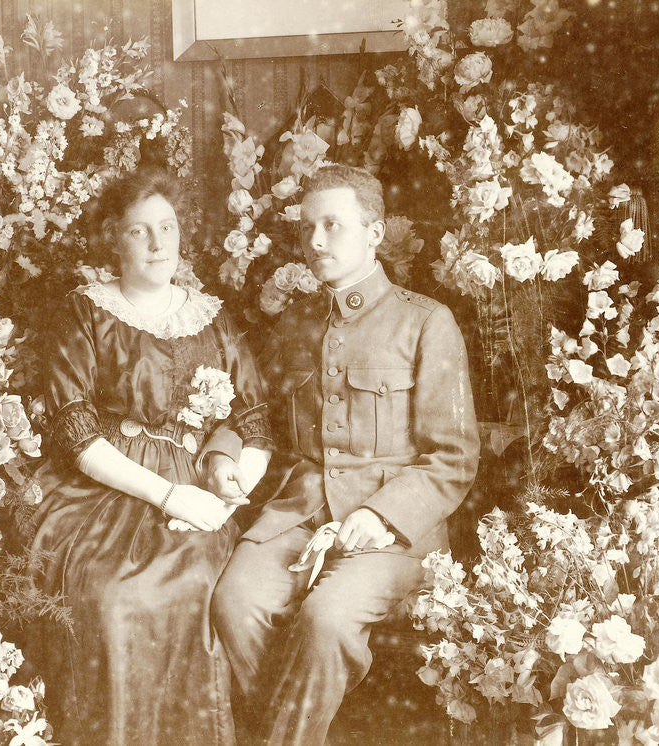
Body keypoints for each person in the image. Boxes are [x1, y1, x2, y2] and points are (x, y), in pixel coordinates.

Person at [210, 164, 480, 745]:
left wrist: (379, 516)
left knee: (326, 620)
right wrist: (225, 450)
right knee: (233, 601)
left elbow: (453, 458)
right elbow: (257, 414)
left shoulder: (426, 322)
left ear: (374, 233)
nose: (315, 242)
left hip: (397, 530)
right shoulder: (299, 322)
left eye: (333, 225)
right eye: (308, 227)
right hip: (301, 511)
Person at [28, 166, 271, 746]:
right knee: (112, 598)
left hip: (200, 487)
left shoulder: (212, 315)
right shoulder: (85, 312)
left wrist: (234, 483)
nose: (159, 244)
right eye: (140, 231)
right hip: (107, 487)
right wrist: (166, 493)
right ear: (113, 237)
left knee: (203, 590)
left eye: (167, 227)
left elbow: (253, 417)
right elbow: (76, 432)